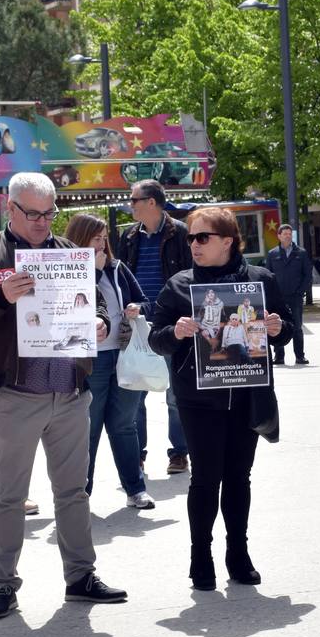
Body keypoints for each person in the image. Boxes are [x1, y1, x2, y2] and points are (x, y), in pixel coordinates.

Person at [0, 172, 127, 618]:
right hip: (14, 394)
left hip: (69, 390)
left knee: (73, 491)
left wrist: (102, 322)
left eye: (50, 213)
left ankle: (81, 576)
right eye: (33, 213)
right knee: (9, 496)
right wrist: (0, 296)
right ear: (9, 209)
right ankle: (4, 585)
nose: (42, 222)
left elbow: (97, 301)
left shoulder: (69, 253)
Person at [149, 206, 292, 590]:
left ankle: (238, 554)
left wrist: (278, 327)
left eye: (202, 237)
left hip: (246, 394)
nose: (193, 244)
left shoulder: (259, 280)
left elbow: (287, 328)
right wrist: (175, 332)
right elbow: (155, 338)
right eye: (190, 238)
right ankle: (201, 556)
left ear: (227, 240)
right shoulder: (180, 285)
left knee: (238, 478)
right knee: (205, 478)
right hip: (198, 399)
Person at [70, 212, 154, 510]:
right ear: (80, 240)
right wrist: (90, 271)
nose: (102, 244)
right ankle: (81, 495)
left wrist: (136, 307)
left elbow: (147, 301)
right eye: (96, 238)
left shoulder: (117, 268)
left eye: (104, 238)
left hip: (125, 355)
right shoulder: (70, 271)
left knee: (124, 424)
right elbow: (73, 304)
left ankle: (135, 488)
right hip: (91, 360)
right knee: (88, 427)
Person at [115, 179, 191, 475]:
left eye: (134, 200)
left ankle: (179, 452)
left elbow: (186, 279)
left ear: (151, 202)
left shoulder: (180, 234)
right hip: (137, 325)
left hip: (169, 324)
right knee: (137, 392)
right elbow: (123, 277)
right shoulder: (129, 236)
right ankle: (138, 454)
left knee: (174, 394)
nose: (130, 204)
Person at [267, 223, 313, 365]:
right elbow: (268, 275)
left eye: (289, 233)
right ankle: (279, 357)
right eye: (284, 234)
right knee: (277, 325)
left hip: (295, 296)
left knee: (297, 327)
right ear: (279, 236)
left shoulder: (301, 253)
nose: (287, 236)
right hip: (278, 298)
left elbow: (307, 275)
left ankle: (300, 356)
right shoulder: (272, 254)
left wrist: (300, 292)